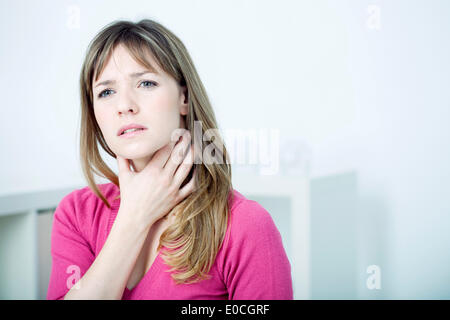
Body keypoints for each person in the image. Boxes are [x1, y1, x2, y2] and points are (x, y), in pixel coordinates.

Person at [46, 18, 293, 300]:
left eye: (146, 83)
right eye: (107, 92)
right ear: (94, 114)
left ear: (184, 98)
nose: (125, 105)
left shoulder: (245, 224)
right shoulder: (77, 214)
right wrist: (134, 217)